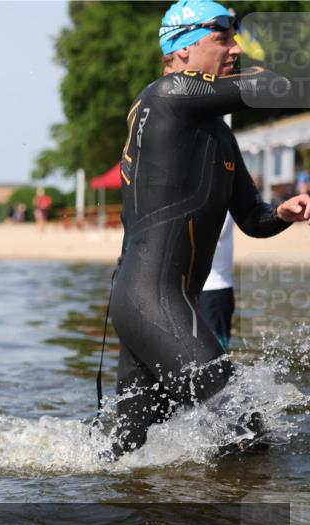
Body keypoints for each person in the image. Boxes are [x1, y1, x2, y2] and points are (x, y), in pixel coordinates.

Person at [106, 0, 310, 459]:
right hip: (151, 300)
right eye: (223, 38)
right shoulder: (168, 94)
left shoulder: (217, 133)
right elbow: (276, 84)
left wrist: (281, 213)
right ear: (181, 49)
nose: (235, 49)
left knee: (123, 457)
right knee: (246, 433)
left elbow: (252, 219)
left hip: (155, 303)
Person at [200, 214, 235, 351]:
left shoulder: (222, 199)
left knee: (217, 351)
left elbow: (211, 233)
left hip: (215, 290)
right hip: (195, 290)